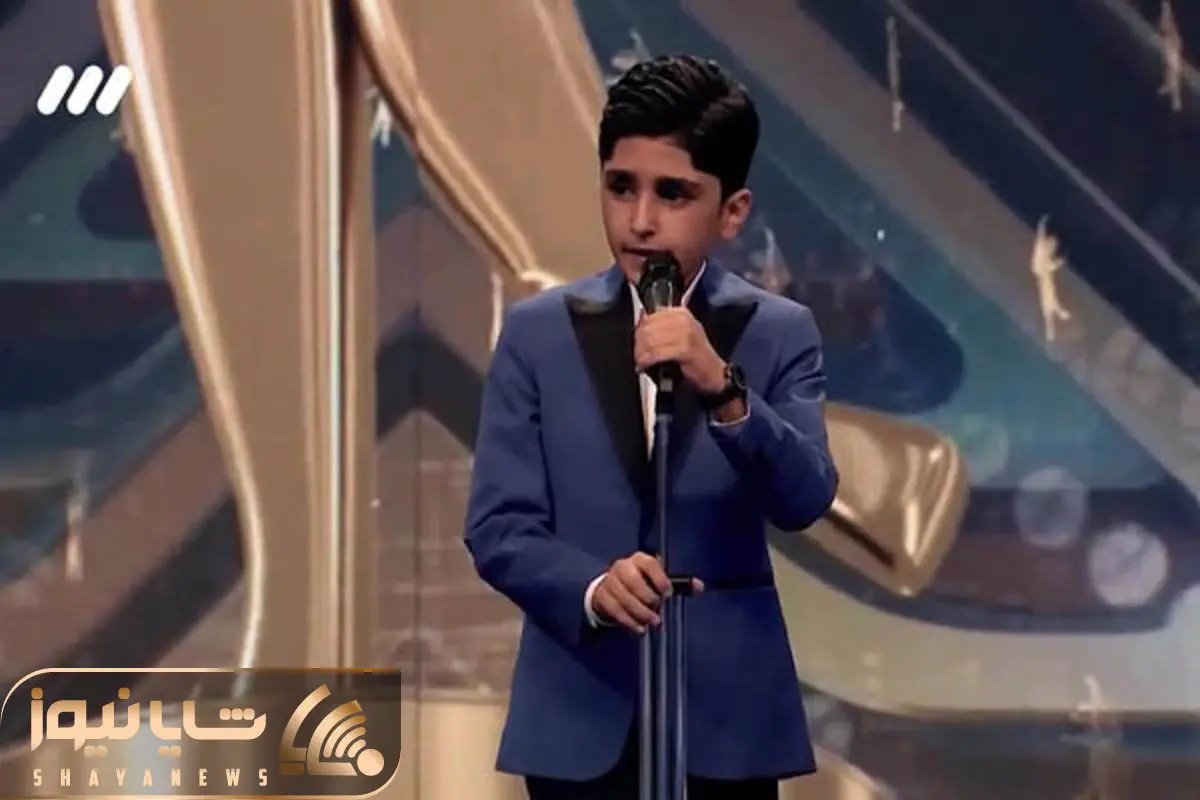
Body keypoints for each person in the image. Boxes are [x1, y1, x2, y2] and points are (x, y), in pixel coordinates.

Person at [463, 54, 838, 800]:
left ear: (732, 210)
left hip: (727, 728)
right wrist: (593, 585)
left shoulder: (780, 333)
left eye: (673, 193)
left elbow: (804, 497)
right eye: (620, 187)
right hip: (579, 718)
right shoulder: (537, 334)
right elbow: (499, 527)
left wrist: (723, 388)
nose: (640, 220)